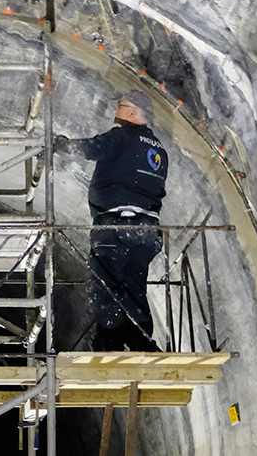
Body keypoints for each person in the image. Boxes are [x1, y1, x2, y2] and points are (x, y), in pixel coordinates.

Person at [55, 90, 167, 352]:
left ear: (132, 111)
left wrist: (60, 144)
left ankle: (109, 343)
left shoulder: (122, 136)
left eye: (120, 107)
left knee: (104, 283)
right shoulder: (159, 150)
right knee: (133, 286)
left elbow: (89, 148)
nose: (115, 112)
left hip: (118, 225)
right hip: (148, 229)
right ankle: (141, 340)